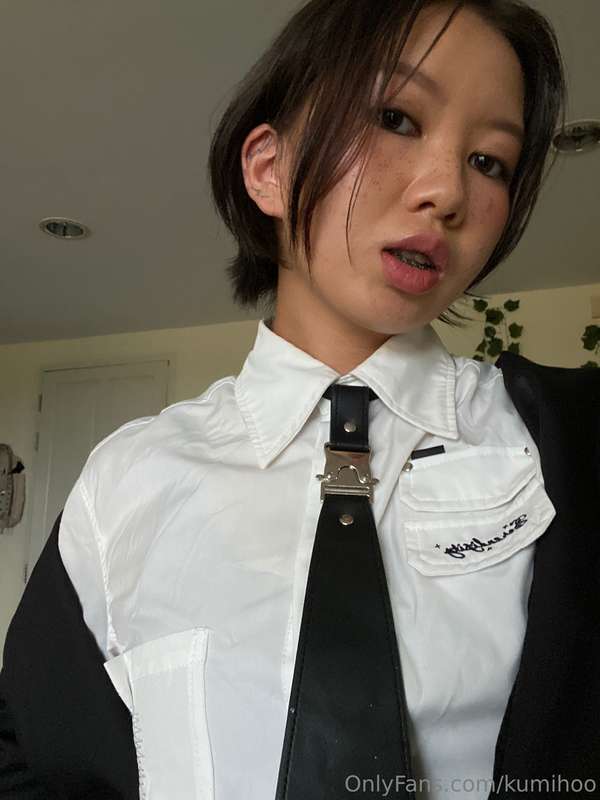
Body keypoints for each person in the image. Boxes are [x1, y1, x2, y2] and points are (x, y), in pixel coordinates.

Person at [2, 0, 598, 798]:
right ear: (268, 169)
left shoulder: (573, 438)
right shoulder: (126, 484)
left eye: (490, 161)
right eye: (395, 118)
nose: (447, 191)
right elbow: (37, 766)